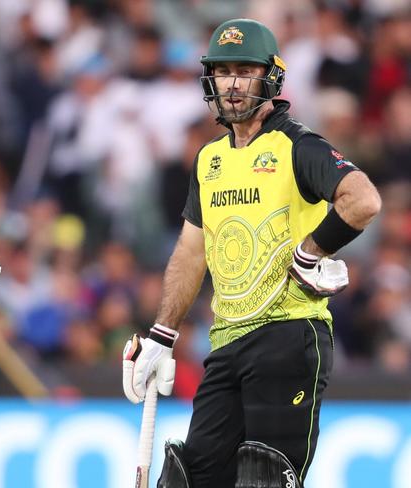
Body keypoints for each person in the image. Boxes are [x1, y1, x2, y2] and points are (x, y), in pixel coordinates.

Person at [122, 18, 381, 488]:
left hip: (289, 334)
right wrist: (162, 334)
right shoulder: (208, 159)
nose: (234, 84)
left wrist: (309, 252)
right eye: (224, 72)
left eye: (246, 71)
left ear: (270, 77)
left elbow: (363, 200)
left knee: (264, 480)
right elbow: (190, 251)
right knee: (188, 480)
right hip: (227, 343)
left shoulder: (297, 145)